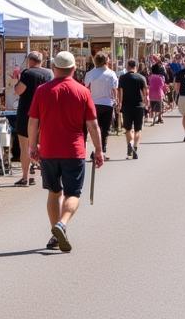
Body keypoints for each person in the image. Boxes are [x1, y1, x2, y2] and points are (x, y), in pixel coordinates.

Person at [27, 50, 104, 252]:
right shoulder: (82, 91)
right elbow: (93, 125)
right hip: (74, 150)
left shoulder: (42, 90)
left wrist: (32, 145)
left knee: (54, 192)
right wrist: (98, 149)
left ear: (54, 68)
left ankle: (55, 231)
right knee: (73, 193)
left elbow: (33, 121)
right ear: (73, 68)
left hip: (49, 149)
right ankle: (62, 224)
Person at [13, 51, 53, 186]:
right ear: (41, 60)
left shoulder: (27, 73)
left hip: (26, 113)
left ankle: (25, 177)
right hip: (44, 114)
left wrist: (16, 81)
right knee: (44, 144)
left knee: (25, 147)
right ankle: (46, 174)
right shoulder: (49, 74)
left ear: (30, 60)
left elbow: (19, 90)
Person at [84, 53, 118, 158]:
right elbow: (114, 89)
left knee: (94, 128)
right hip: (107, 104)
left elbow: (86, 88)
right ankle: (101, 151)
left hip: (93, 104)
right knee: (105, 130)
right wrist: (115, 100)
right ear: (106, 61)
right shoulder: (111, 73)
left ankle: (95, 149)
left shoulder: (90, 73)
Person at [116, 59, 148, 159]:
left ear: (128, 66)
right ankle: (135, 147)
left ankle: (129, 143)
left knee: (128, 129)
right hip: (139, 106)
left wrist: (119, 103)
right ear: (136, 66)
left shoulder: (122, 78)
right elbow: (145, 93)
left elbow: (120, 92)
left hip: (126, 106)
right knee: (138, 130)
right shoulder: (141, 78)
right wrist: (146, 104)